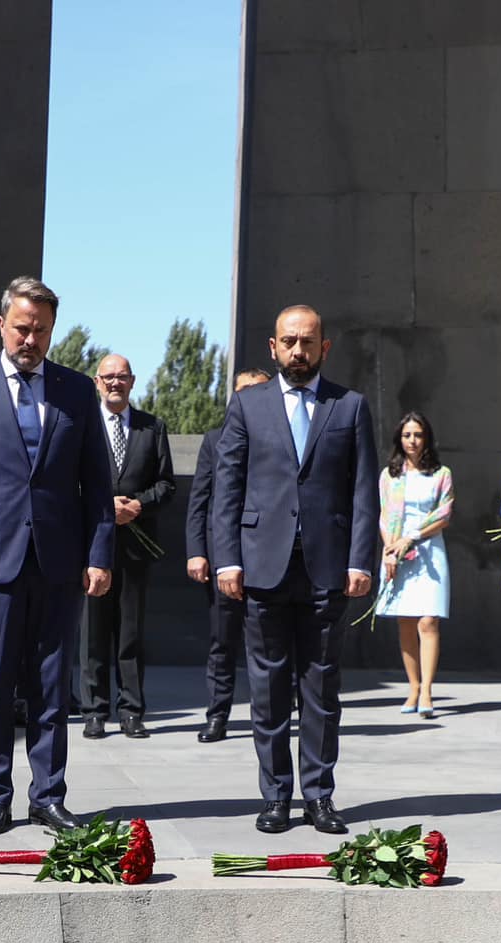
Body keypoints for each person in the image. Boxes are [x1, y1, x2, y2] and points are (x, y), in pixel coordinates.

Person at [0, 276, 114, 836]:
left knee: (52, 685)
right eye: (21, 328)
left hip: (58, 560)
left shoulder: (77, 390)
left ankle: (48, 795)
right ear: (1, 324)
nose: (30, 339)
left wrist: (99, 552)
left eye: (41, 330)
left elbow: (96, 482)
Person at [210, 305, 379, 836]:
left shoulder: (349, 407)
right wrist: (227, 559)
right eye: (289, 341)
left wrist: (360, 559)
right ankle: (276, 796)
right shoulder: (247, 406)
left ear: (324, 348)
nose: (298, 351)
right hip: (262, 566)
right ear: (273, 346)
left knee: (322, 689)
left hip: (328, 568)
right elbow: (227, 488)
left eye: (308, 342)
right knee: (266, 686)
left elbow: (362, 491)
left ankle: (320, 796)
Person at [81, 354, 174, 740]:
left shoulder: (152, 427)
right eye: (108, 377)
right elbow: (72, 482)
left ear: (132, 382)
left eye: (122, 377)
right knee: (92, 631)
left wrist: (139, 504)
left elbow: (167, 484)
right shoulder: (83, 427)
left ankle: (132, 711)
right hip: (93, 547)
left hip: (136, 545)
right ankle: (94, 711)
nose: (115, 383)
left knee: (131, 631)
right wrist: (105, 507)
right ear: (97, 382)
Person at [185, 369, 269, 742]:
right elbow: (199, 501)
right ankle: (218, 716)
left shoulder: (279, 440)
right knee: (223, 642)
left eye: (257, 391)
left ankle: (268, 715)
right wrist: (196, 553)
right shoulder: (215, 440)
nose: (249, 398)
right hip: (222, 558)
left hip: (269, 559)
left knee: (268, 643)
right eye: (242, 392)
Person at [374, 412, 453, 719]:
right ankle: (413, 687)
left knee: (428, 621)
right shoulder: (390, 475)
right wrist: (391, 550)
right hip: (398, 553)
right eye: (407, 435)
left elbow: (443, 514)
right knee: (405, 621)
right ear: (399, 438)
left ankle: (429, 691)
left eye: (418, 434)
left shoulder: (441, 473)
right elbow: (384, 516)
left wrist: (413, 537)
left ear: (426, 438)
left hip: (430, 552)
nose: (412, 440)